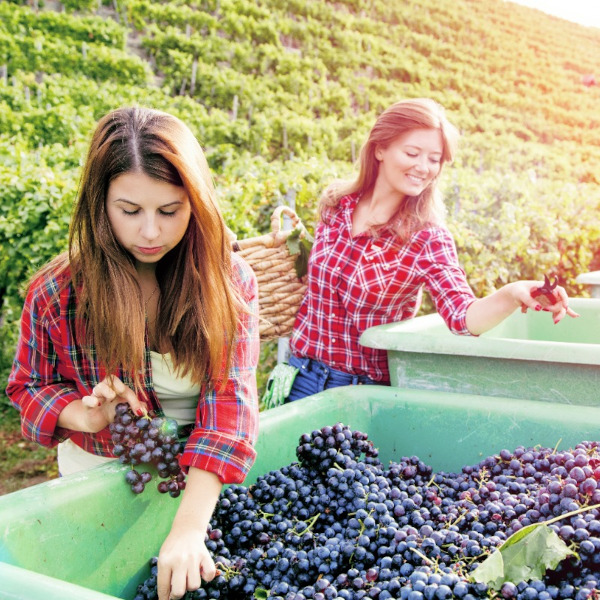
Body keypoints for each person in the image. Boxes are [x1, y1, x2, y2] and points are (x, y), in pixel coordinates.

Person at [6, 107, 260, 600]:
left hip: (201, 486)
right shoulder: (57, 295)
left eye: (170, 211)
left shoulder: (228, 283)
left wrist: (188, 530)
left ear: (198, 205)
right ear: (98, 202)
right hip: (97, 484)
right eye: (130, 210)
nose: (151, 233)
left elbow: (230, 409)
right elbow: (27, 386)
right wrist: (82, 415)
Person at [282, 97, 578, 402]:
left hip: (360, 393)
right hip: (297, 376)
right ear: (379, 149)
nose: (423, 167)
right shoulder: (337, 204)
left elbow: (463, 316)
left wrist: (512, 293)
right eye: (412, 153)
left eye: (434, 159)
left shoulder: (427, 238)